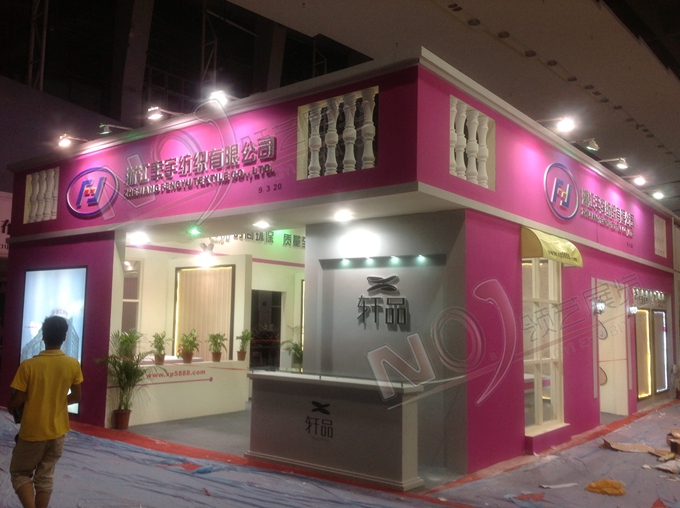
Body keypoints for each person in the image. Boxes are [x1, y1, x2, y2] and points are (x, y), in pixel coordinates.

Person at [7, 315, 84, 508]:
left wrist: (11, 406)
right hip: (58, 432)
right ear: (64, 337)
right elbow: (76, 397)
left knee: (20, 473)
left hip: (32, 432)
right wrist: (57, 402)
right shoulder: (73, 364)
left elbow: (17, 400)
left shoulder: (28, 366)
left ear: (43, 335)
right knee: (45, 476)